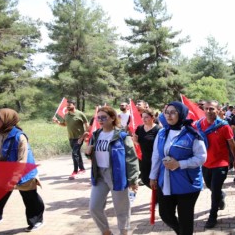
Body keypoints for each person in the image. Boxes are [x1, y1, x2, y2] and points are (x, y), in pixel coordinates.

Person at [0, 108, 45, 234]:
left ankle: (36, 220)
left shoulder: (20, 137)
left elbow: (22, 161)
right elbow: (0, 156)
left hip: (24, 173)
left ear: (8, 120)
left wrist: (13, 179)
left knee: (30, 199)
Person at [149, 101, 206, 235]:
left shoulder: (193, 134)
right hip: (166, 182)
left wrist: (180, 164)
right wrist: (152, 176)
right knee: (165, 215)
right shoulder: (162, 133)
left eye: (173, 112)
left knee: (185, 220)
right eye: (167, 112)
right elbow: (156, 156)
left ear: (181, 114)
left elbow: (201, 158)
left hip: (187, 184)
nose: (169, 116)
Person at [85, 106, 139, 235]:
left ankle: (123, 232)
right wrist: (87, 153)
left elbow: (131, 159)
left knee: (122, 208)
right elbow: (92, 153)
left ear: (113, 118)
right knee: (94, 207)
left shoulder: (122, 136)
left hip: (117, 175)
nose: (100, 120)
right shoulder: (96, 134)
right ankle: (106, 231)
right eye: (98, 118)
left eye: (104, 117)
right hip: (100, 175)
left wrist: (133, 179)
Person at [195, 100, 235, 229]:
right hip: (205, 162)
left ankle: (212, 216)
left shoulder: (223, 126)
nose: (209, 111)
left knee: (214, 191)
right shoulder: (198, 125)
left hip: (221, 163)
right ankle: (221, 195)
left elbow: (233, 145)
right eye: (207, 109)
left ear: (218, 110)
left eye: (212, 109)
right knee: (210, 186)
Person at [52, 99, 89, 180]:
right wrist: (57, 122)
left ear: (74, 105)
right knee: (77, 153)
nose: (68, 106)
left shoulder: (80, 114)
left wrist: (85, 135)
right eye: (67, 105)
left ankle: (75, 171)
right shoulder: (66, 115)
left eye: (69, 105)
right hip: (71, 137)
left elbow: (87, 126)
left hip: (79, 137)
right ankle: (82, 169)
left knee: (74, 153)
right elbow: (64, 124)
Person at [133, 108, 160, 187]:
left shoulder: (158, 129)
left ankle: (158, 198)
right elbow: (138, 143)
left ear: (152, 117)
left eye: (146, 117)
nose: (143, 119)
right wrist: (135, 141)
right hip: (144, 159)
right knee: (145, 179)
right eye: (142, 117)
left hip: (155, 160)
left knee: (155, 182)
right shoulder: (140, 128)